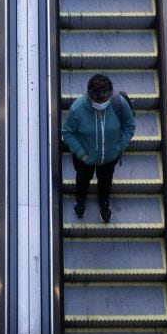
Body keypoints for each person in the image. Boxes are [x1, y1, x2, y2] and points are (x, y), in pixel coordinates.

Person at [61, 74, 136, 223]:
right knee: (82, 179)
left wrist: (120, 145)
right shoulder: (78, 109)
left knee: (106, 180)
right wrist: (81, 153)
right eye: (98, 101)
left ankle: (104, 203)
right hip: (85, 158)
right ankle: (80, 201)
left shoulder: (119, 104)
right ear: (90, 96)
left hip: (109, 157)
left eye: (104, 100)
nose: (101, 104)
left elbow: (129, 126)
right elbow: (67, 132)